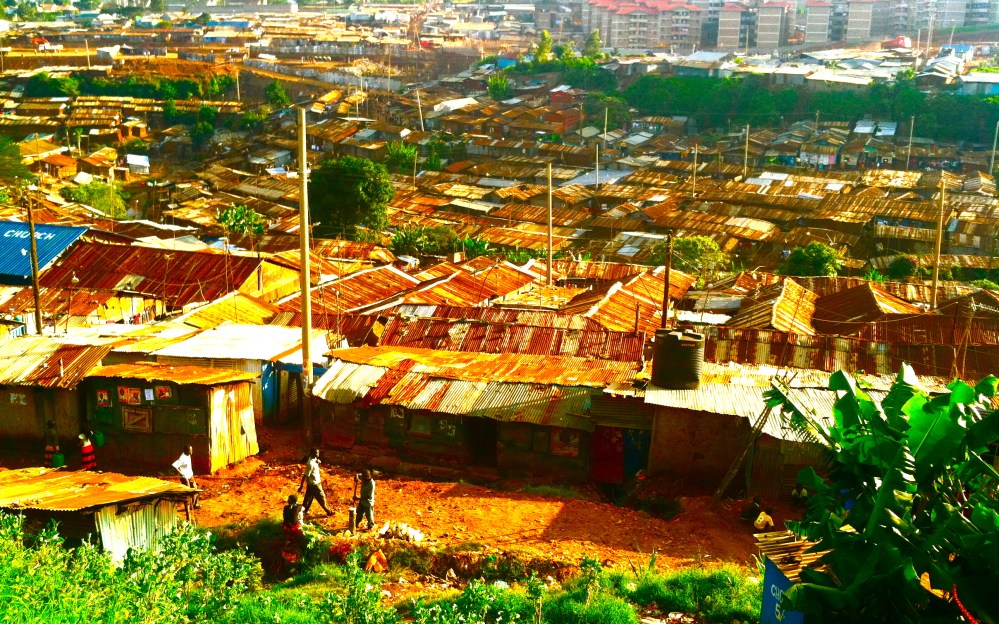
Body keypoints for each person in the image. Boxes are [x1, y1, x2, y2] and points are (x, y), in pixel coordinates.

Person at [298, 448, 333, 517]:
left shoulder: (314, 459)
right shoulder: (310, 463)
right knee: (321, 497)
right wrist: (301, 486)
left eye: (318, 453)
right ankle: (329, 511)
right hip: (315, 484)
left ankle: (303, 512)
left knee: (308, 499)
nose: (318, 454)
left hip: (311, 483)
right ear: (312, 453)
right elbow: (305, 475)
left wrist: (318, 463)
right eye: (317, 453)